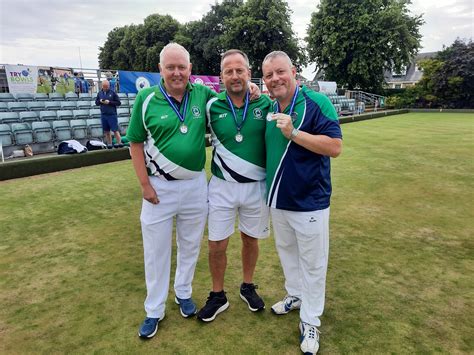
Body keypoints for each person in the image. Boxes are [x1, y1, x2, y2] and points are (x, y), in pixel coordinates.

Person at [126, 42, 217, 340]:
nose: (177, 72)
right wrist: (144, 184)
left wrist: (253, 92)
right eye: (170, 67)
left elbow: (231, 103)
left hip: (194, 187)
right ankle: (154, 309)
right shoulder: (146, 98)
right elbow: (135, 143)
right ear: (160, 70)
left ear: (190, 69)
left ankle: (183, 293)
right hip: (158, 189)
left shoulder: (202, 93)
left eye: (182, 67)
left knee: (190, 245)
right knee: (156, 252)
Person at [262, 51, 342, 355]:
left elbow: (335, 147)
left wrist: (293, 133)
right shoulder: (270, 106)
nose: (275, 79)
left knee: (313, 264)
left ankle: (311, 320)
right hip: (279, 201)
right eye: (268, 75)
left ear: (294, 72)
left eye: (280, 72)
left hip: (311, 202)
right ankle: (294, 296)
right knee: (287, 255)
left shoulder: (316, 103)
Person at [196, 50, 272, 322]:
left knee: (250, 239)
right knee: (217, 244)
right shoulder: (210, 104)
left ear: (249, 73)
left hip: (256, 187)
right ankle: (218, 295)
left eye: (240, 70)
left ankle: (247, 285)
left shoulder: (265, 104)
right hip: (221, 186)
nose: (235, 75)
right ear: (221, 77)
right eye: (229, 71)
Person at [95, 80, 122, 148]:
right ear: (102, 86)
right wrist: (100, 101)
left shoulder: (113, 93)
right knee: (107, 131)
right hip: (104, 115)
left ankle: (120, 143)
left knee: (115, 130)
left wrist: (109, 102)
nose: (106, 88)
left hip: (112, 115)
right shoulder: (100, 93)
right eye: (104, 87)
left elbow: (118, 103)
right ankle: (109, 144)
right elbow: (96, 102)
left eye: (107, 87)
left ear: (109, 86)